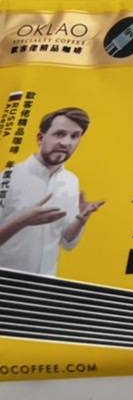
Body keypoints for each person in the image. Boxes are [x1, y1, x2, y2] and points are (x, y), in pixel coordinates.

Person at [0, 107, 104, 276]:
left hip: (46, 281)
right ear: (41, 138)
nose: (66, 143)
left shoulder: (71, 181)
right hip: (7, 281)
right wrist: (23, 221)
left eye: (74, 136)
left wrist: (81, 220)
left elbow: (66, 241)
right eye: (59, 134)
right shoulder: (8, 178)